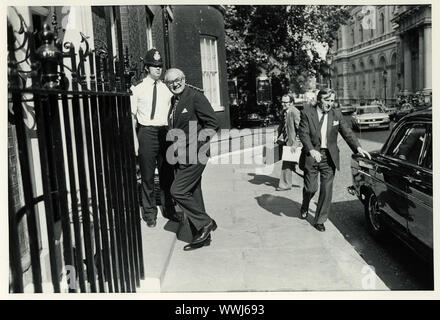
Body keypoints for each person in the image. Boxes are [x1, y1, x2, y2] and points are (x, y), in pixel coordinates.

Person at [298, 88, 371, 232]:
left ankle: (320, 220)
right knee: (311, 188)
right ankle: (305, 203)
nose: (330, 104)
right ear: (319, 99)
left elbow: (347, 132)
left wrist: (358, 148)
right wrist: (312, 150)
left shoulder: (336, 114)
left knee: (326, 189)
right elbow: (303, 133)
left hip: (328, 157)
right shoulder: (307, 112)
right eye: (327, 100)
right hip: (311, 155)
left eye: (332, 101)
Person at [164, 68, 220, 250]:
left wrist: (197, 143)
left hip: (196, 154)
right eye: (171, 82)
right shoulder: (174, 101)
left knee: (177, 190)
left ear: (184, 79)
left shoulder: (195, 96)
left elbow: (213, 123)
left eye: (178, 79)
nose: (175, 84)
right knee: (194, 192)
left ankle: (205, 223)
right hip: (182, 156)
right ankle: (201, 236)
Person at [130, 49, 182, 228]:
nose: (158, 69)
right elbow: (133, 117)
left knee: (167, 174)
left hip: (164, 132)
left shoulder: (167, 88)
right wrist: (135, 140)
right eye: (154, 66)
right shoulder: (137, 88)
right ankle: (149, 213)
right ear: (147, 67)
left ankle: (169, 209)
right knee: (147, 176)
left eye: (160, 66)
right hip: (146, 132)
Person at [276, 94, 302, 191]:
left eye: (286, 102)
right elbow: (283, 126)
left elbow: (301, 129)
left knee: (287, 164)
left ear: (291, 103)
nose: (283, 104)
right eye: (282, 102)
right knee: (289, 163)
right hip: (288, 142)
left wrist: (296, 144)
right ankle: (287, 182)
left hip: (294, 143)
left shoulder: (294, 112)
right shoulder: (285, 111)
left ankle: (285, 185)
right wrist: (279, 137)